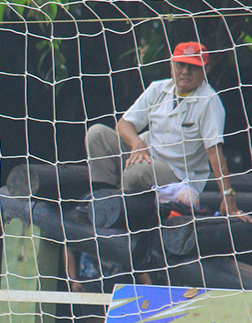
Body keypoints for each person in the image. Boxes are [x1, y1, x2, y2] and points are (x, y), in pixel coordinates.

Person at [85, 41, 249, 222]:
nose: (185, 71)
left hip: (179, 176)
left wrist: (228, 196)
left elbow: (214, 152)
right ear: (172, 65)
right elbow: (123, 124)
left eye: (193, 67)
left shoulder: (209, 101)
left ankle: (121, 210)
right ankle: (100, 199)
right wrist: (137, 143)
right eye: (181, 64)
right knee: (97, 134)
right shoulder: (158, 88)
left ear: (205, 70)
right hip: (147, 157)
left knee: (136, 170)